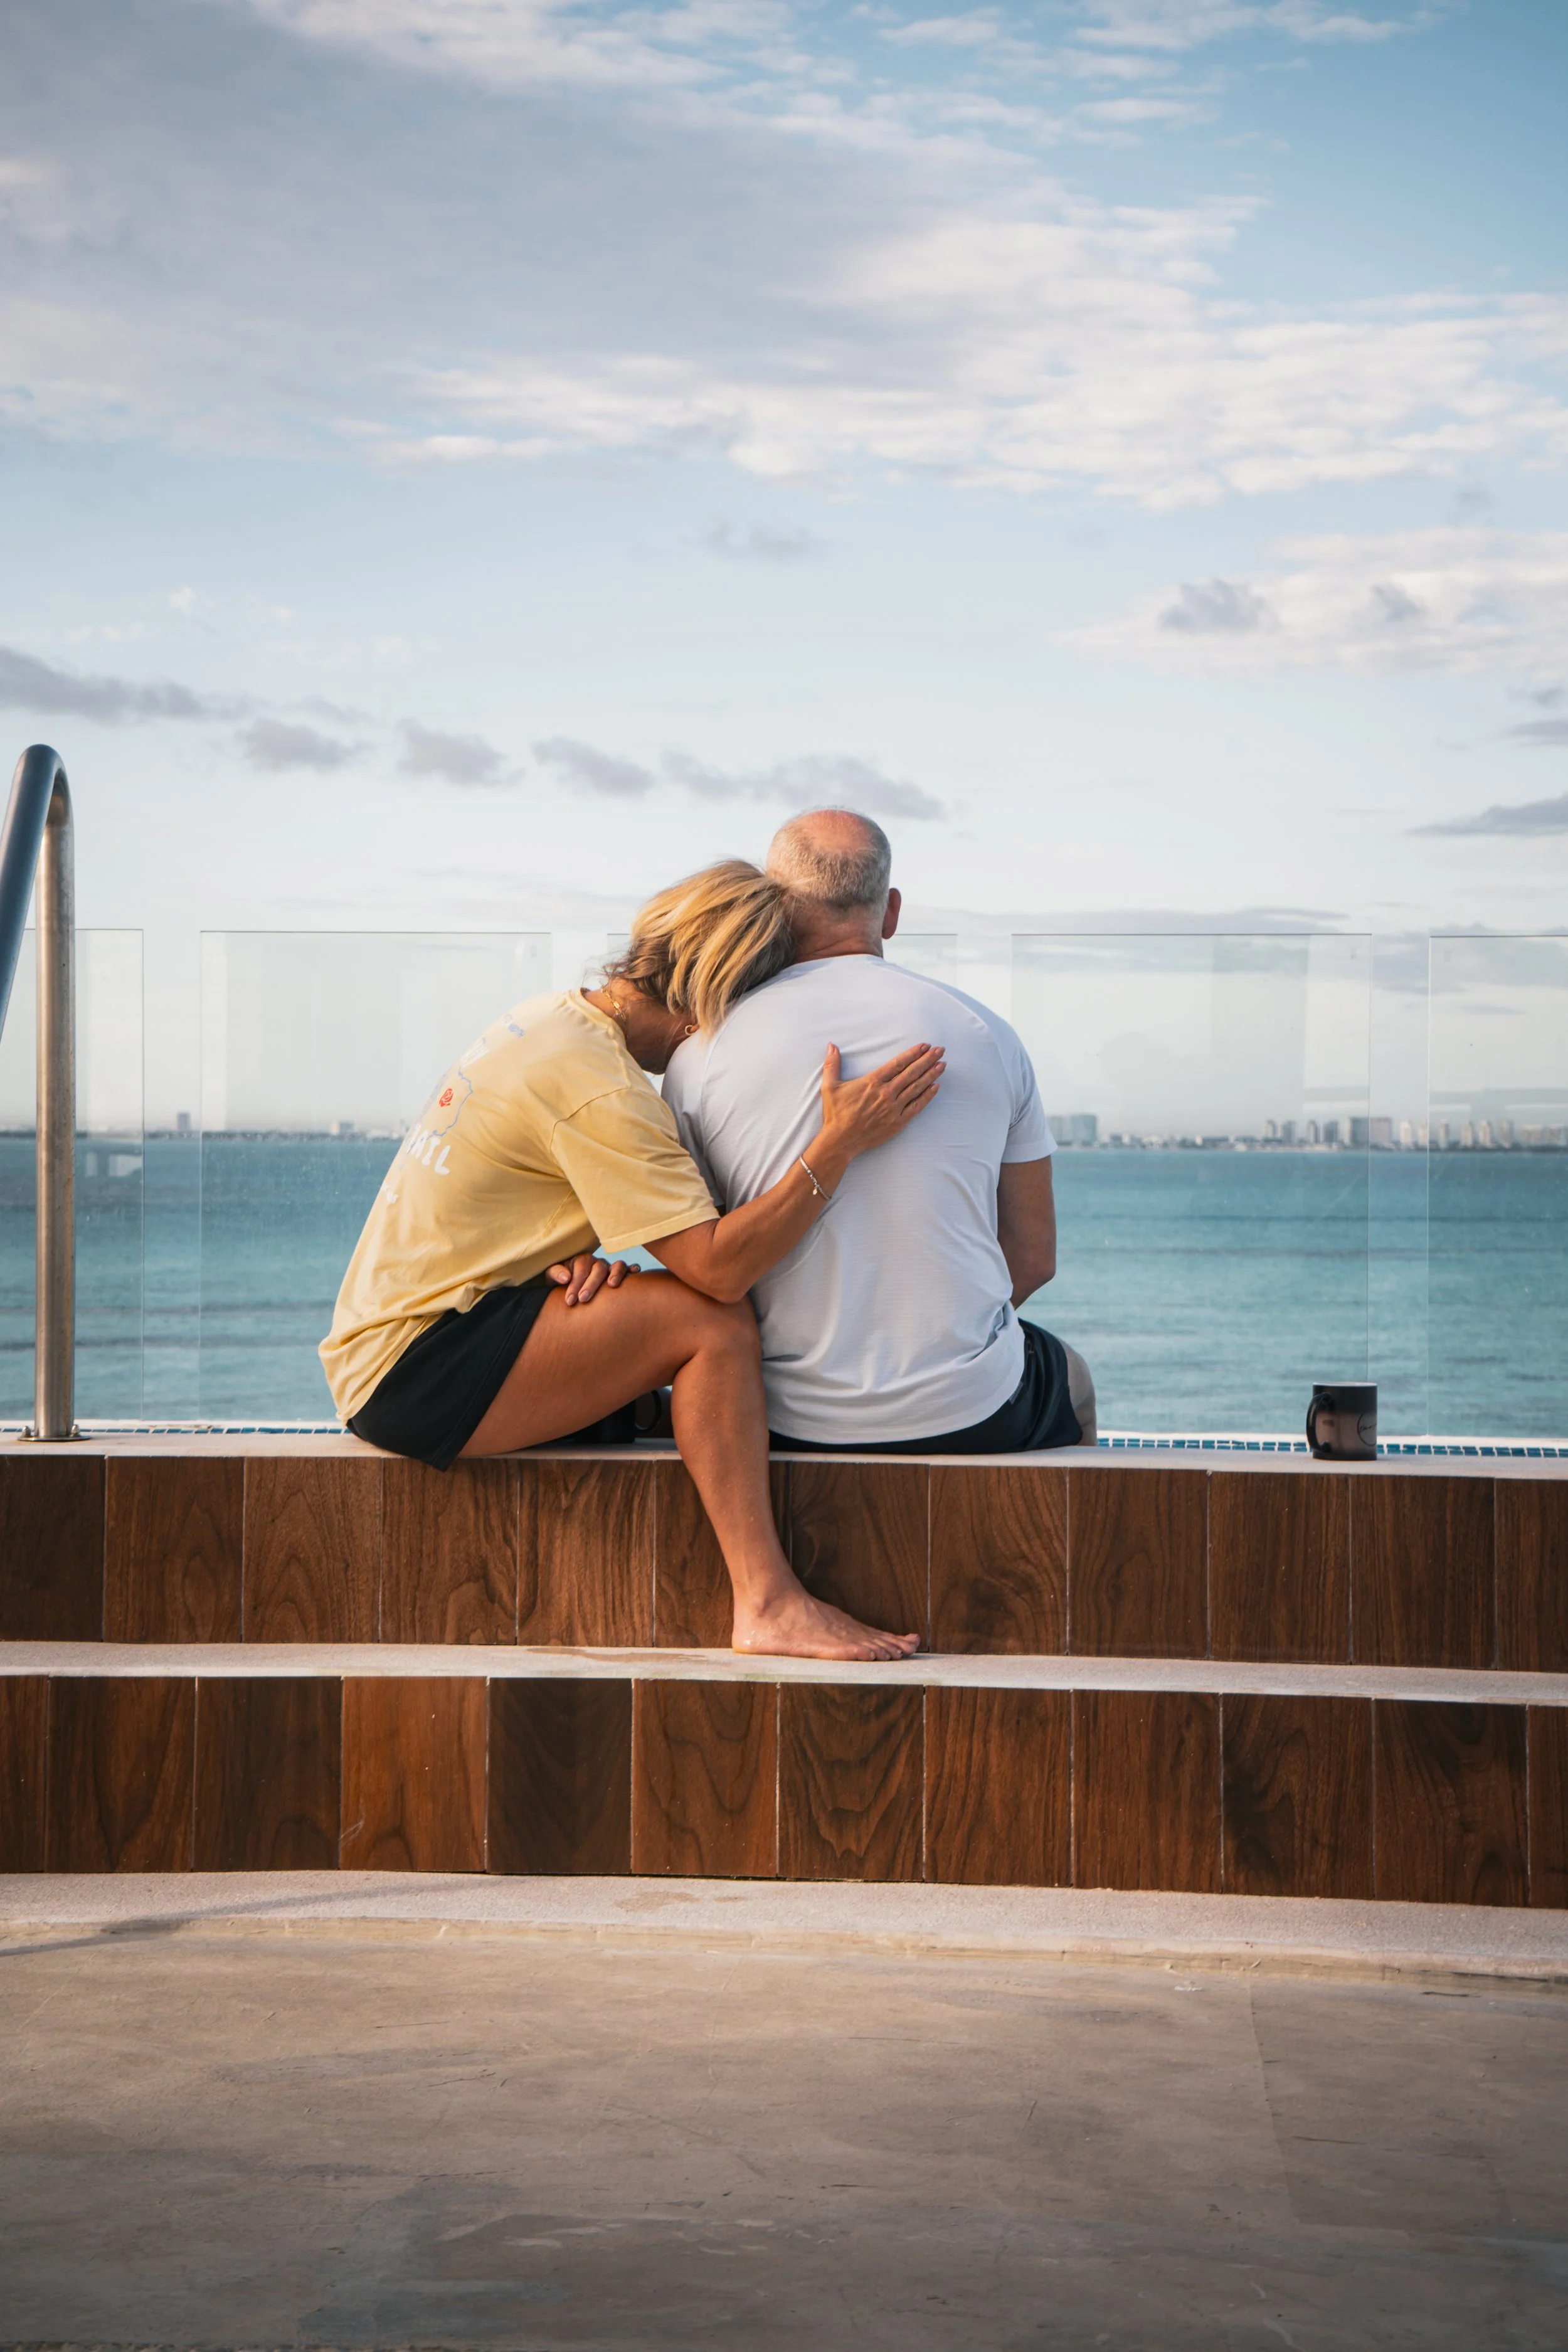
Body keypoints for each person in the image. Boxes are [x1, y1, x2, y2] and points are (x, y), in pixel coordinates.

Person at [320, 859, 943, 1661]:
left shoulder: (547, 1021)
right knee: (707, 1324)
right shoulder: (604, 1088)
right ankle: (768, 1603)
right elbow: (718, 1272)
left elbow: (509, 1198)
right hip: (412, 1373)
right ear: (713, 1003)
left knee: (679, 1348)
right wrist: (839, 1145)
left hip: (410, 1339)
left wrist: (566, 1261)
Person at [664, 811, 1096, 1453]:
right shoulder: (986, 1035)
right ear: (890, 912)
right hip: (970, 1411)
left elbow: (700, 1255)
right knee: (1074, 1381)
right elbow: (1033, 1258)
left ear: (772, 908)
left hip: (775, 1416)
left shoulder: (702, 1052)